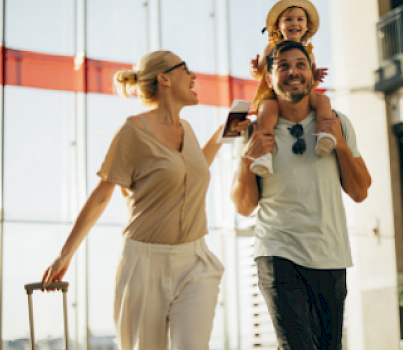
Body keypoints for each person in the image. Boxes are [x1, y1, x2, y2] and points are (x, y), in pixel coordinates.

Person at [42, 50, 249, 350]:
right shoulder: (133, 131)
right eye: (185, 69)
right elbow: (102, 195)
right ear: (164, 78)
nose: (194, 77)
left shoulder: (187, 129)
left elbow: (193, 169)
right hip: (143, 264)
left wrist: (222, 133)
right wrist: (65, 254)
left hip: (194, 262)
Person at [231, 41, 371, 349]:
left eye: (300, 64)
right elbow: (244, 206)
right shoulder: (251, 131)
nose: (293, 71)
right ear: (269, 78)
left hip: (329, 253)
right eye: (283, 66)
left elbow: (360, 191)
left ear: (311, 75)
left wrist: (340, 145)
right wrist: (246, 161)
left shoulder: (337, 122)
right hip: (278, 250)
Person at [249, 0, 336, 177]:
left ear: (306, 26)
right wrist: (255, 68)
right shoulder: (271, 46)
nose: (294, 23)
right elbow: (260, 72)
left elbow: (305, 81)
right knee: (267, 111)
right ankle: (264, 154)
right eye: (288, 19)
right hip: (274, 94)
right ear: (278, 26)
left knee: (323, 101)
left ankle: (324, 134)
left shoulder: (308, 52)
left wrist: (315, 78)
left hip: (300, 94)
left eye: (299, 19)